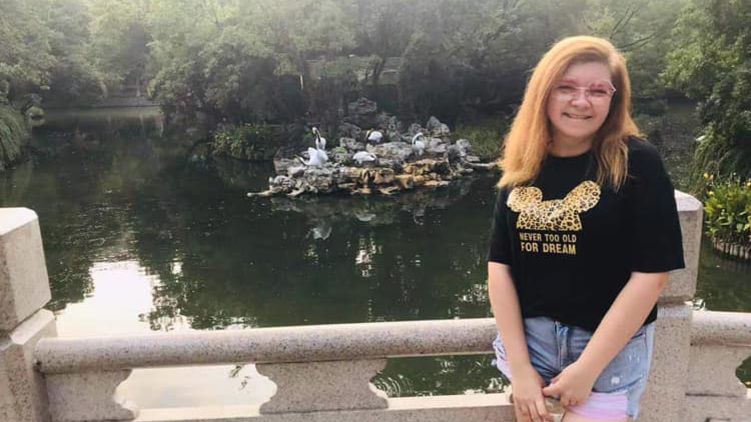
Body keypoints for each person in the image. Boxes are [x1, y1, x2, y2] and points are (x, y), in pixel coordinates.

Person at [487, 35, 685, 422]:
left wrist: (588, 369)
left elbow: (652, 276)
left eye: (597, 90)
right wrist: (521, 369)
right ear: (544, 92)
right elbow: (499, 265)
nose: (581, 101)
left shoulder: (636, 162)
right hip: (531, 344)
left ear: (614, 99)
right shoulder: (525, 160)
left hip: (608, 351)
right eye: (566, 87)